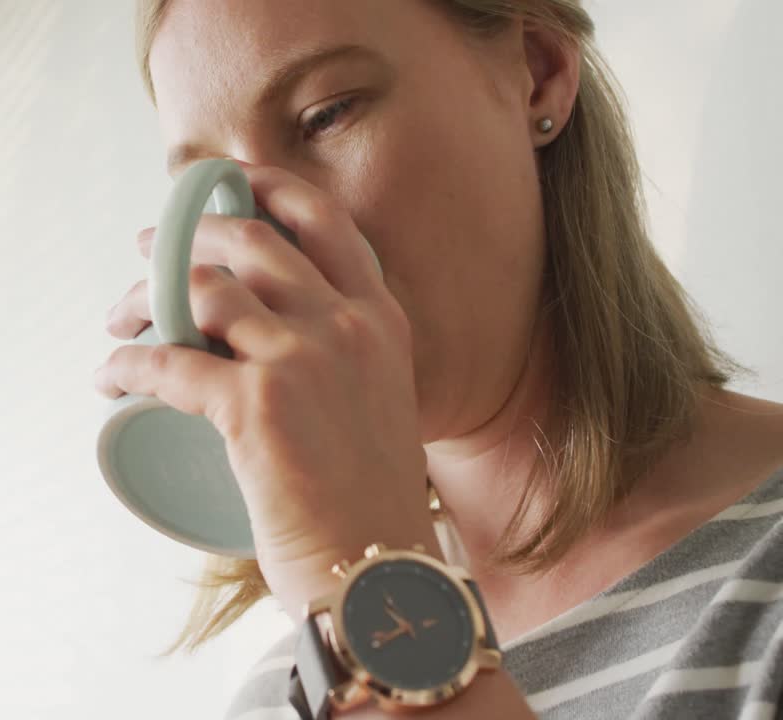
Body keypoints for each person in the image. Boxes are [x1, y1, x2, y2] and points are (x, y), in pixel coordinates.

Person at [92, 1, 783, 718]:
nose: (265, 235)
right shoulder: (289, 694)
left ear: (537, 74)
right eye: (210, 183)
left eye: (326, 115)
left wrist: (366, 579)